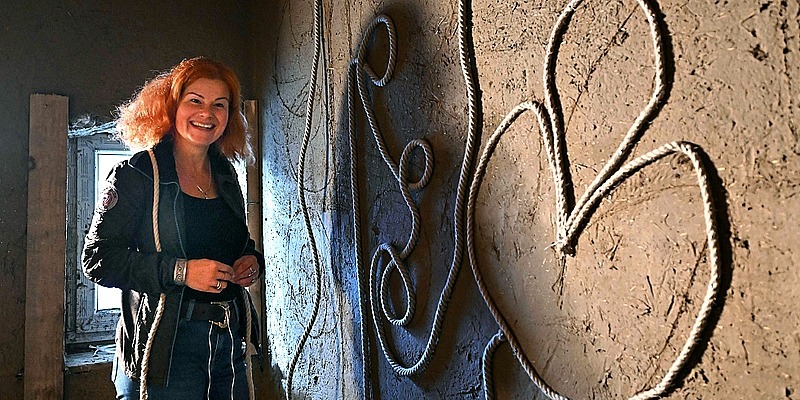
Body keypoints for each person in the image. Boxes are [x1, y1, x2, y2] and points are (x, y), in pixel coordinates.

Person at [82, 56, 264, 400]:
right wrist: (181, 272)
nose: (206, 114)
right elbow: (97, 259)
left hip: (228, 344)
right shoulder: (136, 173)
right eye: (195, 100)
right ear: (172, 106)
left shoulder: (225, 174)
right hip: (164, 347)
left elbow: (238, 243)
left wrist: (250, 261)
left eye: (219, 105)